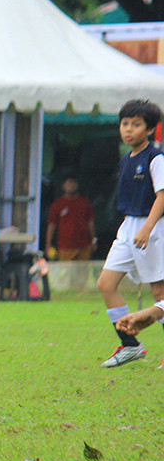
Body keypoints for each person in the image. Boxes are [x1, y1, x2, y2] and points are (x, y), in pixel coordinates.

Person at [96, 98, 164, 368]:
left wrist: (148, 228)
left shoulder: (156, 158)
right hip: (128, 227)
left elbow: (162, 196)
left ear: (150, 129)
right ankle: (130, 345)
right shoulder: (126, 159)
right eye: (125, 124)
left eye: (136, 125)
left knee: (159, 292)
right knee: (106, 284)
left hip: (153, 227)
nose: (129, 129)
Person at [45, 176, 95, 261]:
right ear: (63, 186)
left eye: (73, 183)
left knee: (83, 272)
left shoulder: (84, 202)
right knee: (65, 272)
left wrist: (93, 240)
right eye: (68, 183)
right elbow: (52, 225)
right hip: (65, 246)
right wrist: (48, 244)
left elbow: (90, 222)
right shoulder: (58, 204)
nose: (71, 186)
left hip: (84, 246)